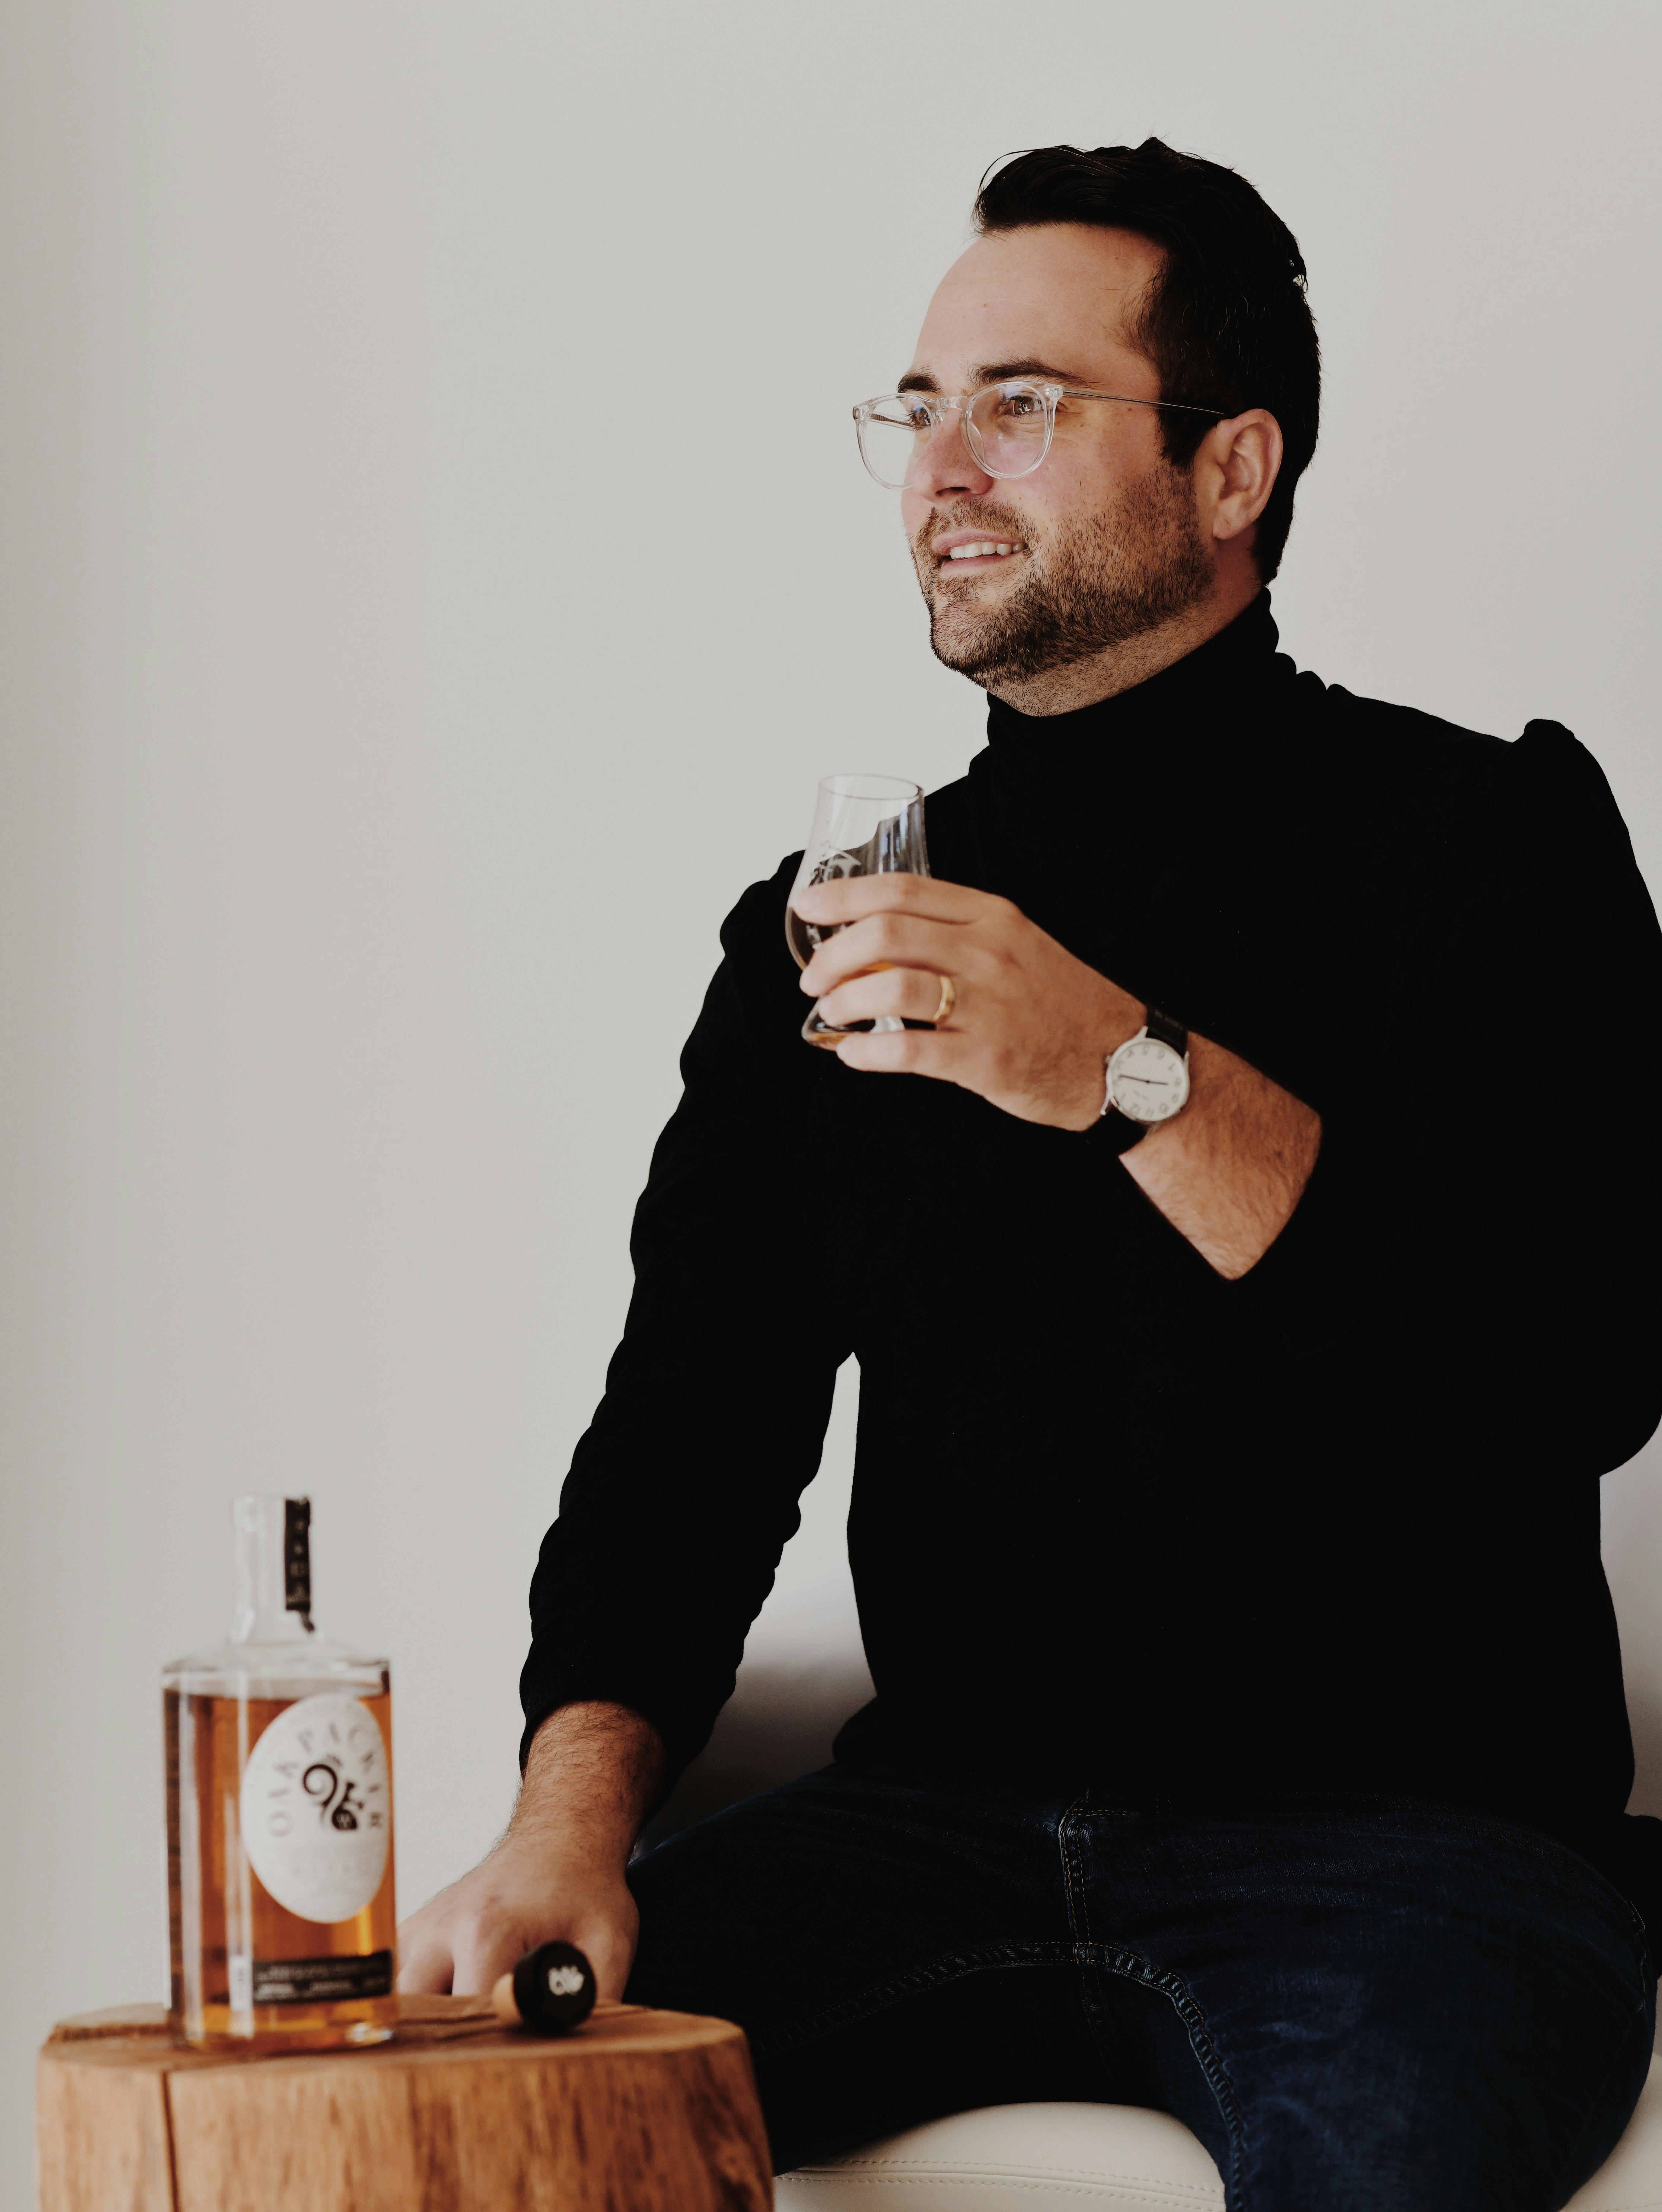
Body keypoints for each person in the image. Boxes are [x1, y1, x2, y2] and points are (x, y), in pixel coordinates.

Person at [399, 140, 1662, 2209]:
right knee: (441, 2131)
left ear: (1234, 469)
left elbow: (1576, 1364)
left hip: (1415, 1850)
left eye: (1021, 403)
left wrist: (1127, 1073)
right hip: (936, 1826)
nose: (940, 466)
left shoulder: (1488, 845)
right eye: (918, 407)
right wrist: (561, 1829)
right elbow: (688, 1442)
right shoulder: (828, 925)